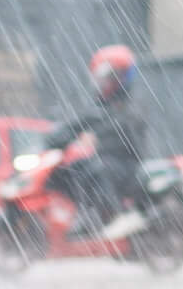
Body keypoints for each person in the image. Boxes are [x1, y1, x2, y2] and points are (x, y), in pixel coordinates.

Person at [44, 45, 145, 239]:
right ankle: (83, 213)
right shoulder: (103, 106)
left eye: (107, 78)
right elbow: (79, 123)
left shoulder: (131, 105)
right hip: (105, 159)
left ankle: (115, 214)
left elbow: (122, 128)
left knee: (98, 168)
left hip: (126, 164)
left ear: (120, 78)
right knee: (67, 171)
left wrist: (97, 129)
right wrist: (53, 140)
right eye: (100, 78)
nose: (102, 83)